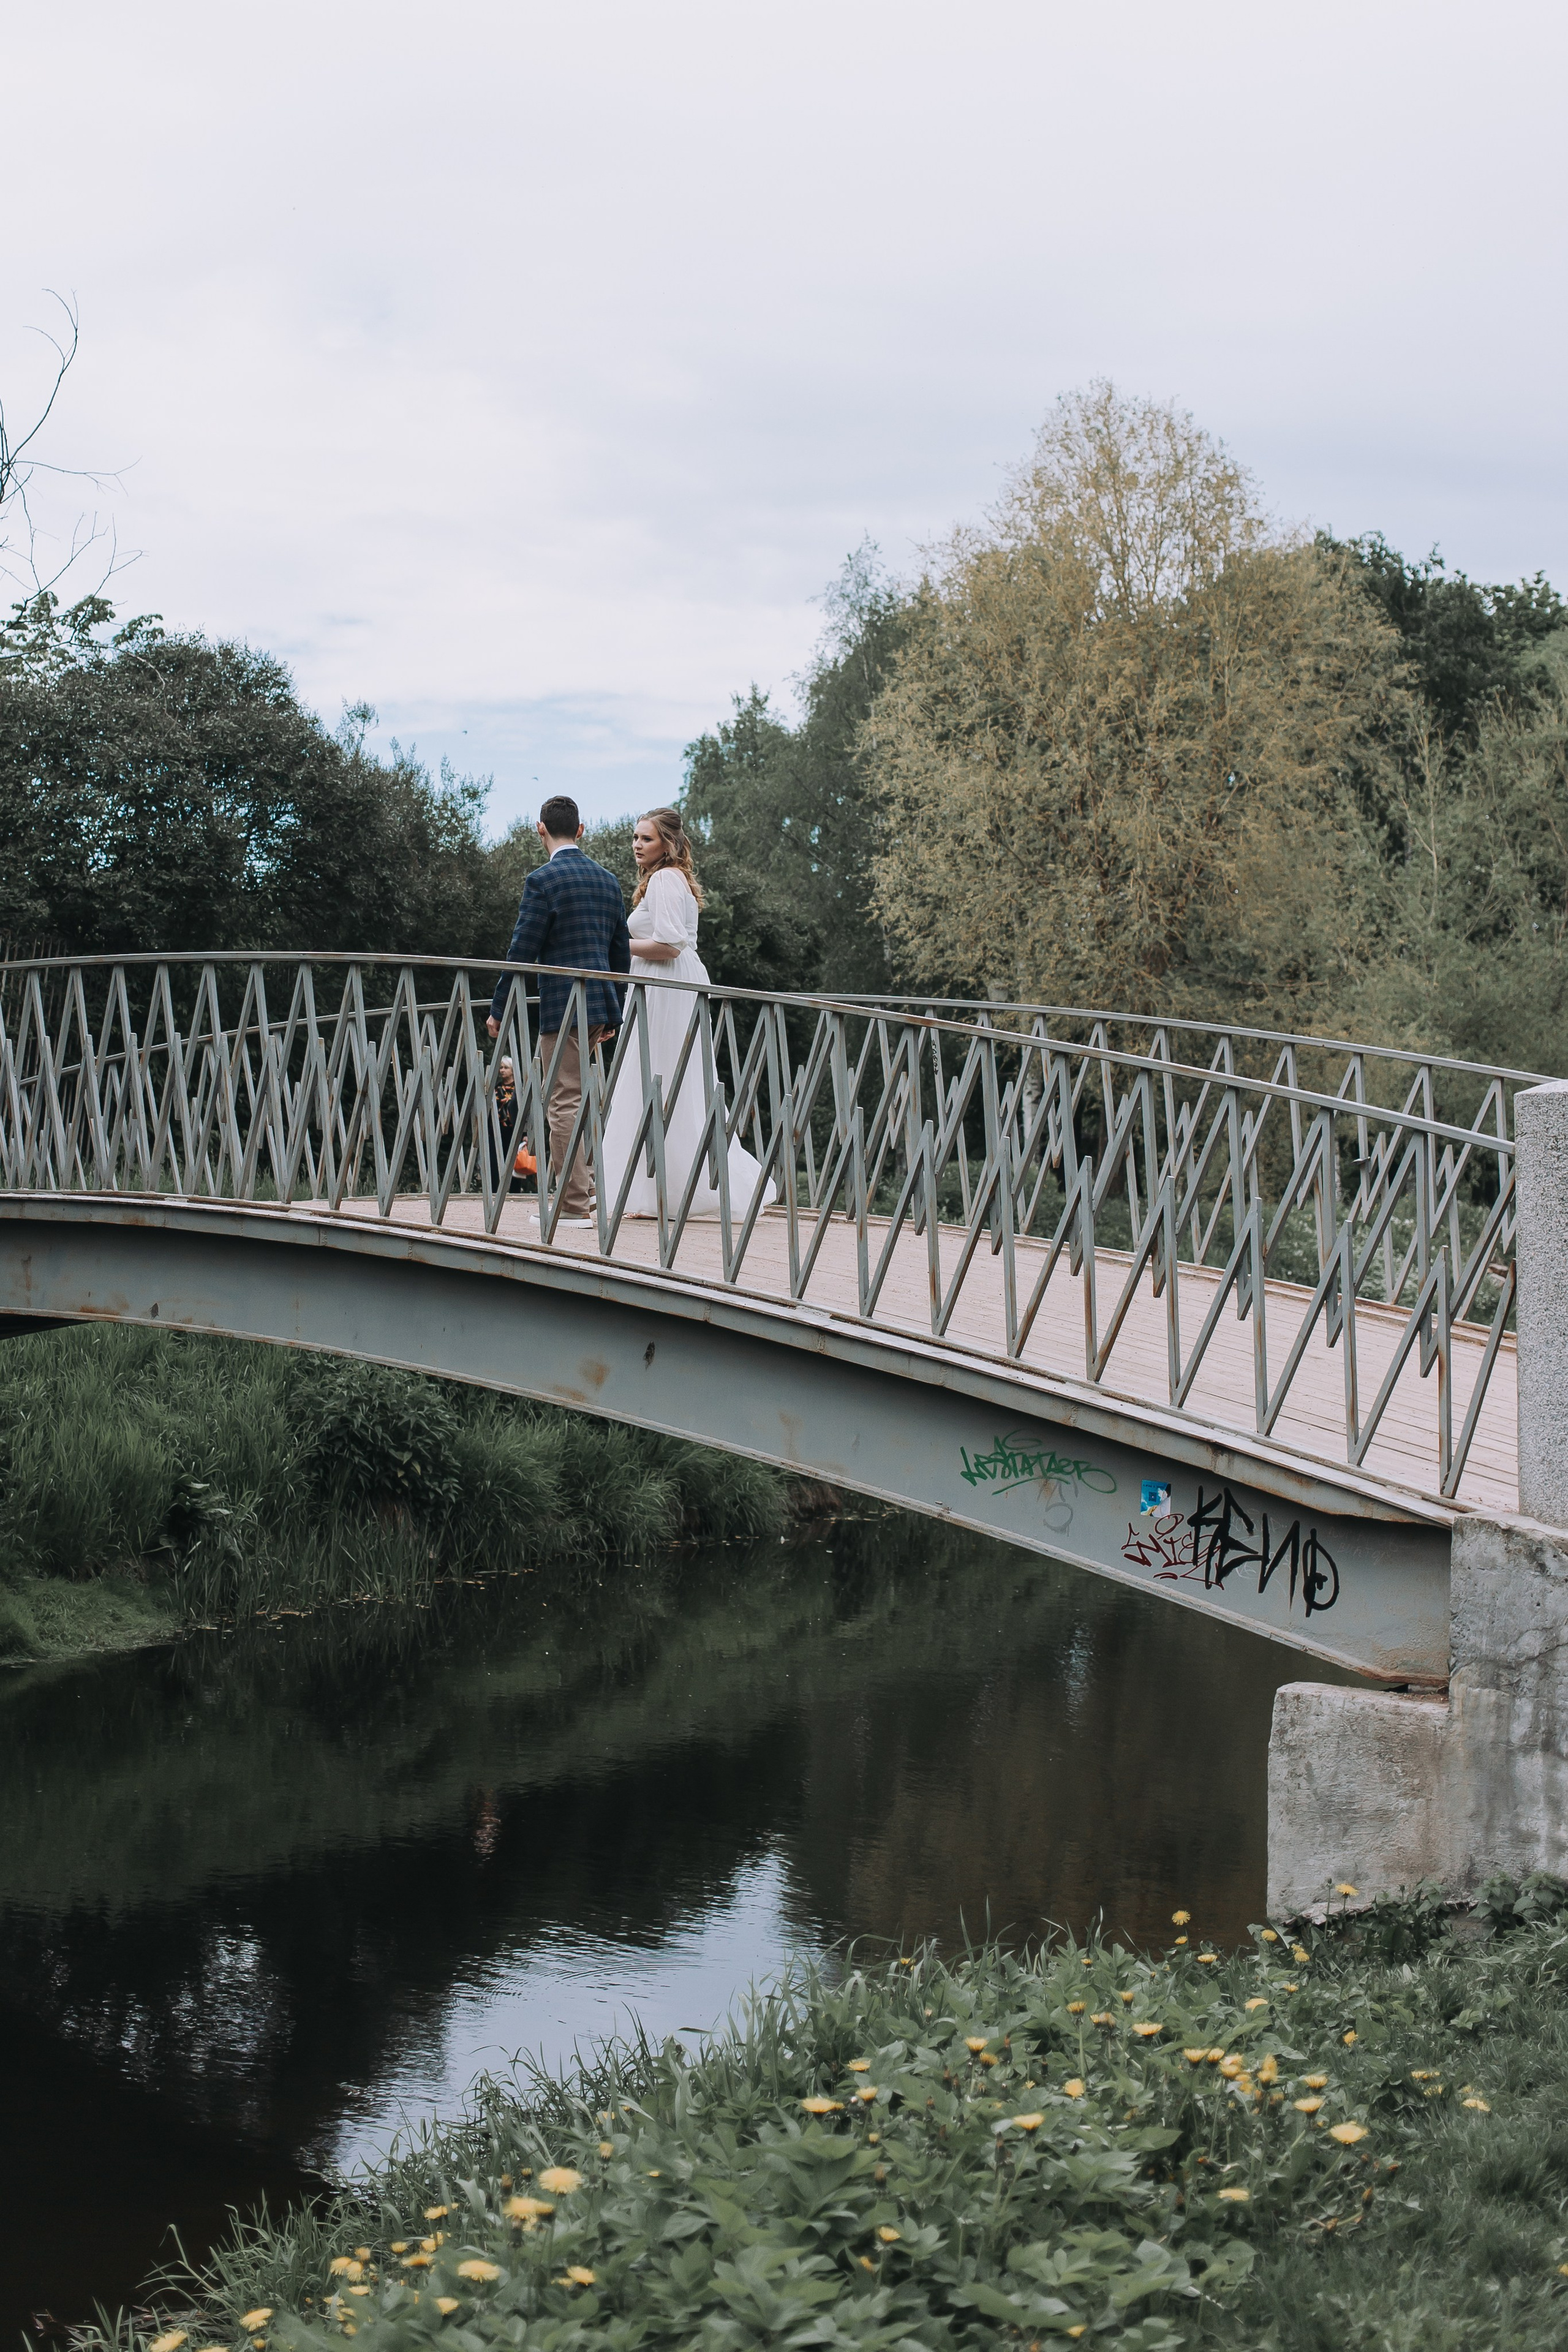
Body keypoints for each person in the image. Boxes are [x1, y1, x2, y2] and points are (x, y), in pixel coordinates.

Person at [597, 807, 775, 1221]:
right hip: (671, 983)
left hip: (666, 985)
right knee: (669, 1081)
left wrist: (615, 945)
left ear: (669, 844)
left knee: (656, 1076)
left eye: (647, 838)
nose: (637, 845)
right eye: (636, 837)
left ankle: (666, 1189)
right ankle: (660, 1189)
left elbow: (670, 945)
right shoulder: (670, 879)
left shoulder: (664, 879)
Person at [487, 795, 630, 1226]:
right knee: (578, 1097)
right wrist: (615, 1010)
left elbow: (521, 951)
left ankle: (572, 1207)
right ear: (581, 830)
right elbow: (620, 953)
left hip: (563, 1006)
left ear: (541, 829)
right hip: (599, 1005)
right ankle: (587, 1192)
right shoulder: (608, 880)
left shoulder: (542, 881)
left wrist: (499, 1009)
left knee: (562, 1101)